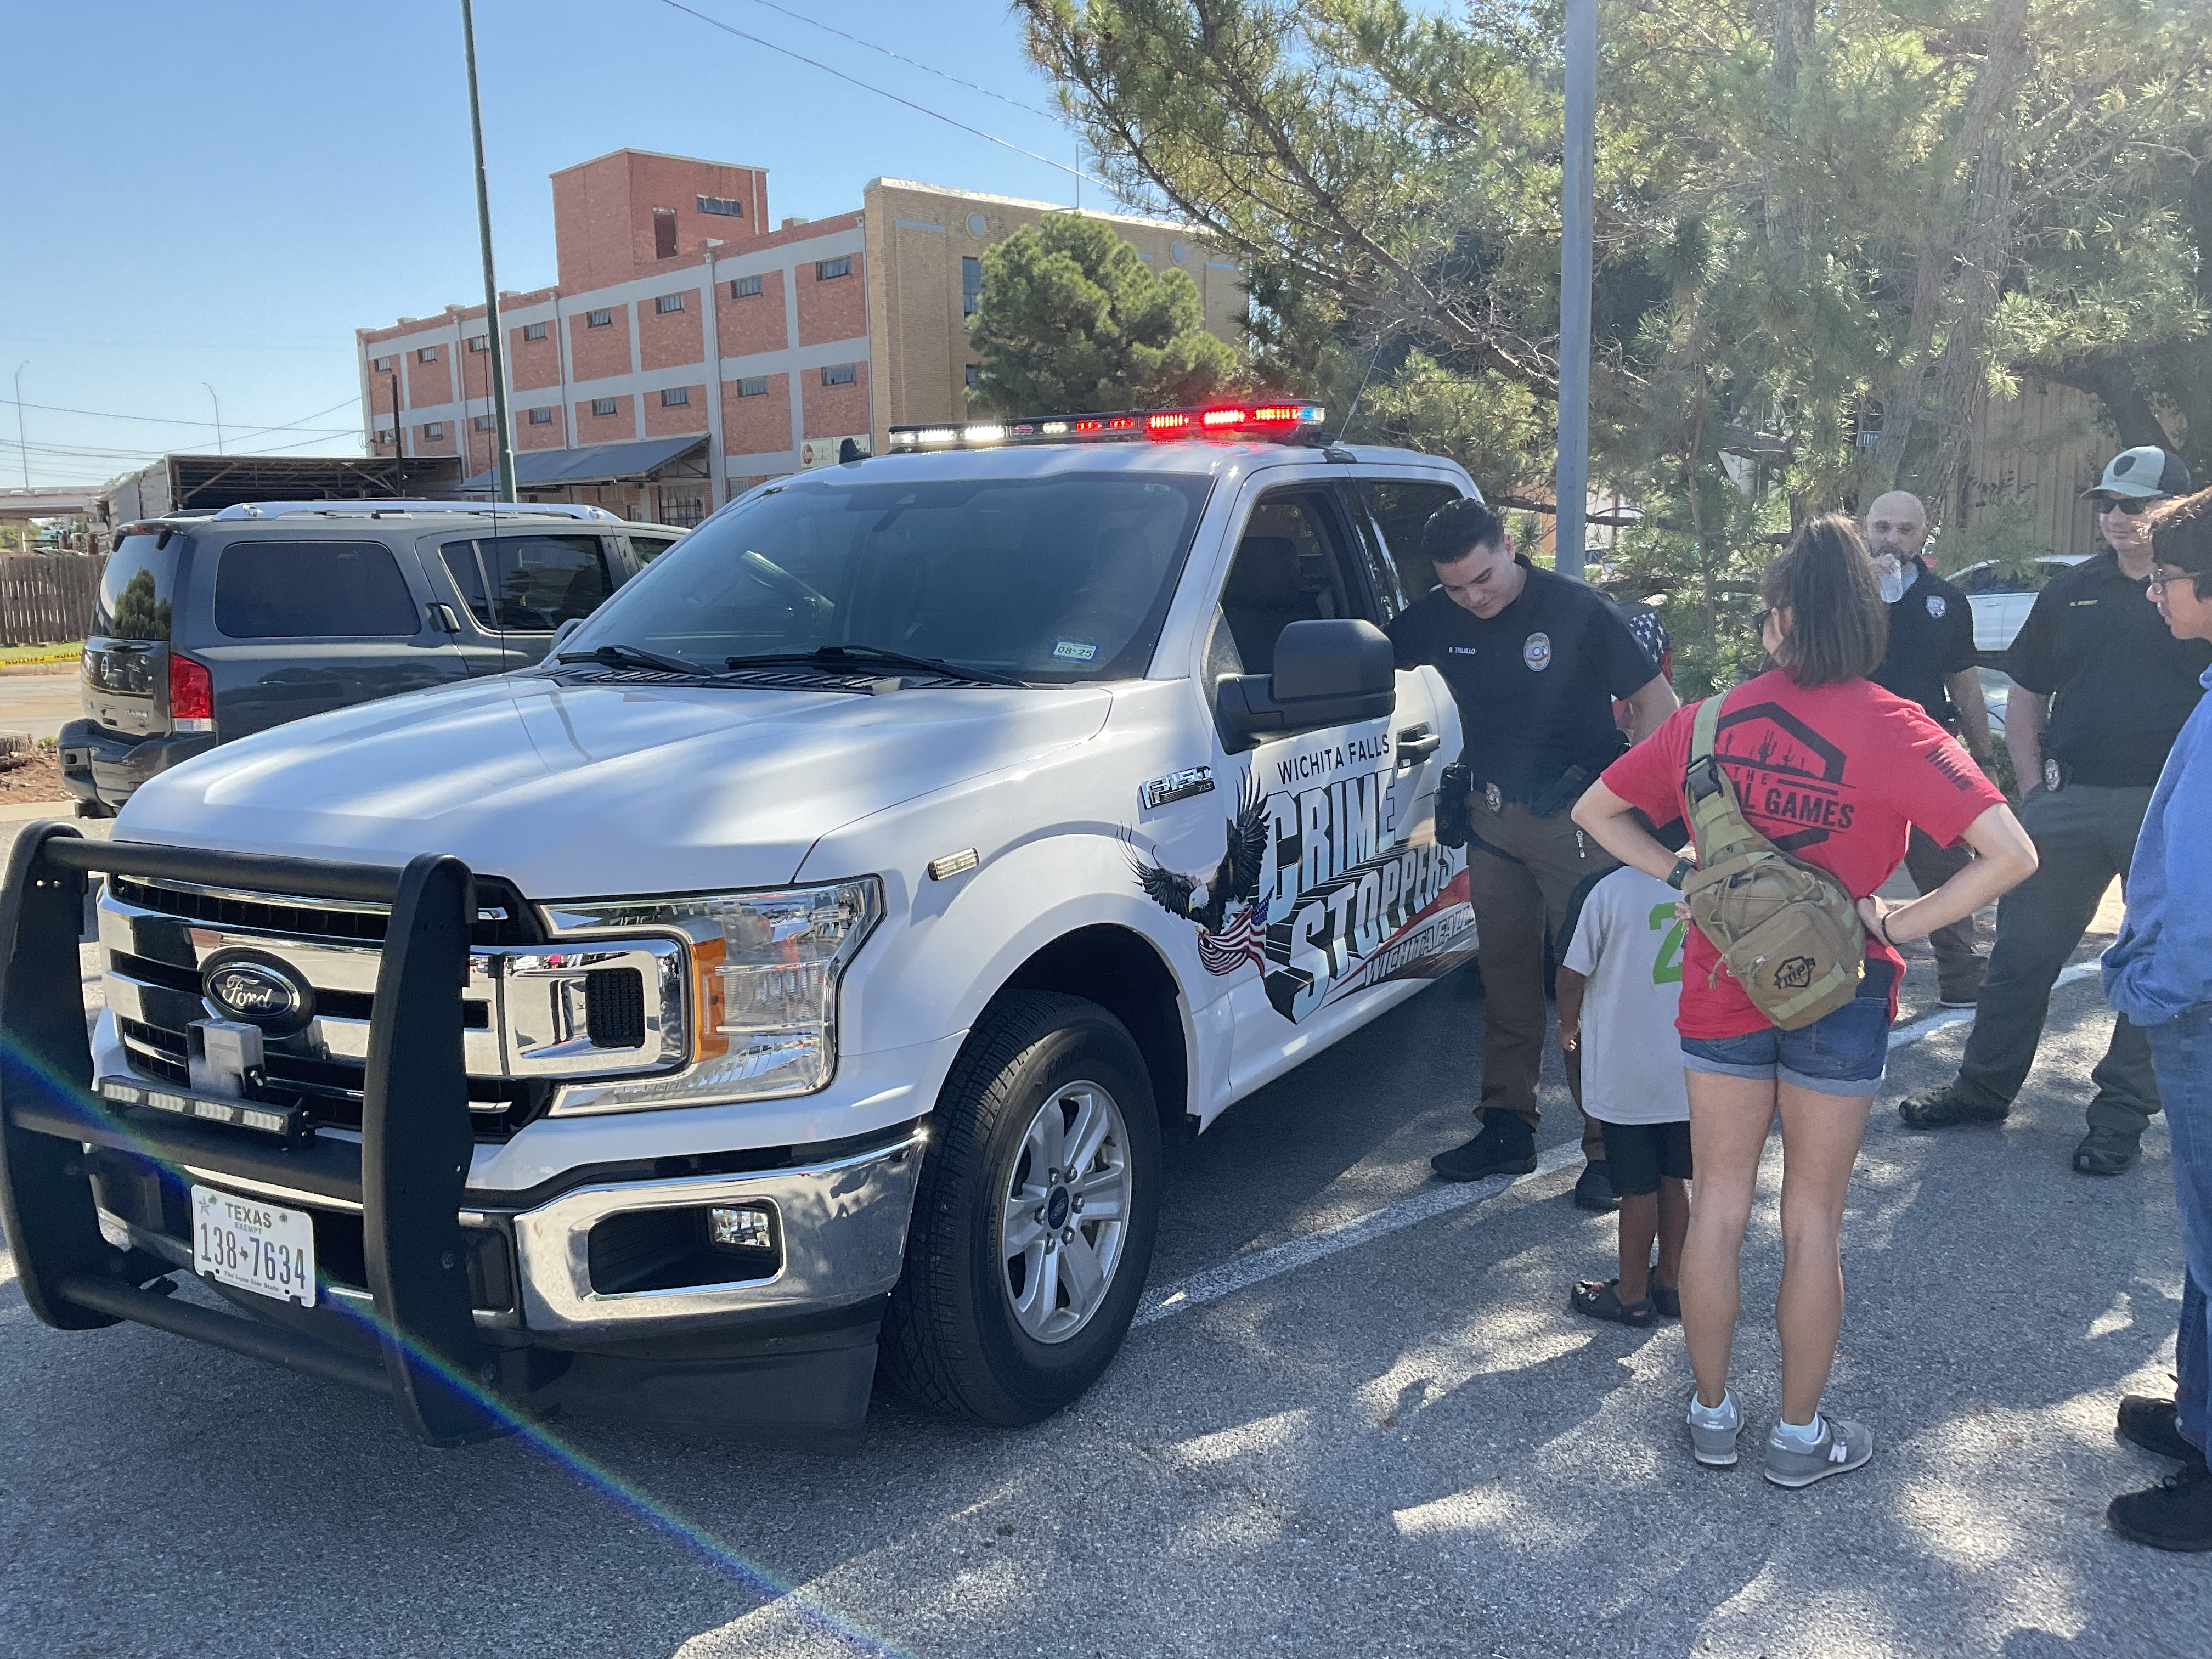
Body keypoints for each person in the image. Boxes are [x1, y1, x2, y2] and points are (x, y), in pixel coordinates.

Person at [1574, 515, 2034, 1487]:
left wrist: (1678, 872)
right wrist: (1896, 924)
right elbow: (2010, 854)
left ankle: (1708, 1416)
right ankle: (1796, 1437)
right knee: (1813, 1216)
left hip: (1719, 980)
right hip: (1843, 988)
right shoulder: (1898, 722)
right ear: (1865, 617)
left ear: (1778, 618)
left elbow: (1596, 810)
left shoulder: (1704, 719)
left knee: (1718, 1209)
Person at [1900, 447, 2212, 1176]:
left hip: (2166, 814)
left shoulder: (2195, 598)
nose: (2117, 517)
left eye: (2134, 506)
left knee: (2150, 963)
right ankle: (1982, 1091)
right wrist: (2036, 788)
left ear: (2170, 514)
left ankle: (2119, 1119)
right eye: (2108, 503)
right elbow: (2029, 693)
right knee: (2019, 958)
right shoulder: (2071, 589)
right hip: (2067, 802)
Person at [1387, 499, 1680, 1206]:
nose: (1473, 597)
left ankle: (1612, 1150)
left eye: (1483, 578)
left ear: (1510, 547)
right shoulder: (1437, 614)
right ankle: (1506, 1129)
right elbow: (1367, 659)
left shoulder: (1577, 610)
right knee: (1507, 982)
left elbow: (1659, 706)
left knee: (1593, 989)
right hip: (1493, 820)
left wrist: (1626, 801)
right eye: (1456, 587)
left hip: (1578, 825)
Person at [2100, 486, 2212, 1550]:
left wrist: (2148, 989)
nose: (2159, 595)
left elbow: (2204, 903)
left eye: (2169, 581)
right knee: (2202, 1237)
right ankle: (2199, 1415)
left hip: (2203, 1011)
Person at [1864, 490, 2000, 1006]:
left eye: (1903, 530)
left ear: (1923, 535)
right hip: (1851, 752)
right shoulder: (1842, 597)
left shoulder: (1947, 602)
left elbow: (1965, 687)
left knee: (1945, 864)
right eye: (1881, 528)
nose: (1891, 540)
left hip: (1923, 751)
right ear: (1865, 531)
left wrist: (1984, 758)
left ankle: (1960, 975)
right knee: (1839, 864)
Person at [1557, 859, 1692, 1327]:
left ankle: (1632, 1292)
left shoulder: (1606, 888)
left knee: (1638, 1188)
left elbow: (1572, 973)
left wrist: (1568, 1024)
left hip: (1626, 1066)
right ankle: (1671, 1283)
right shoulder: (1706, 878)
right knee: (1675, 1180)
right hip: (1689, 1060)